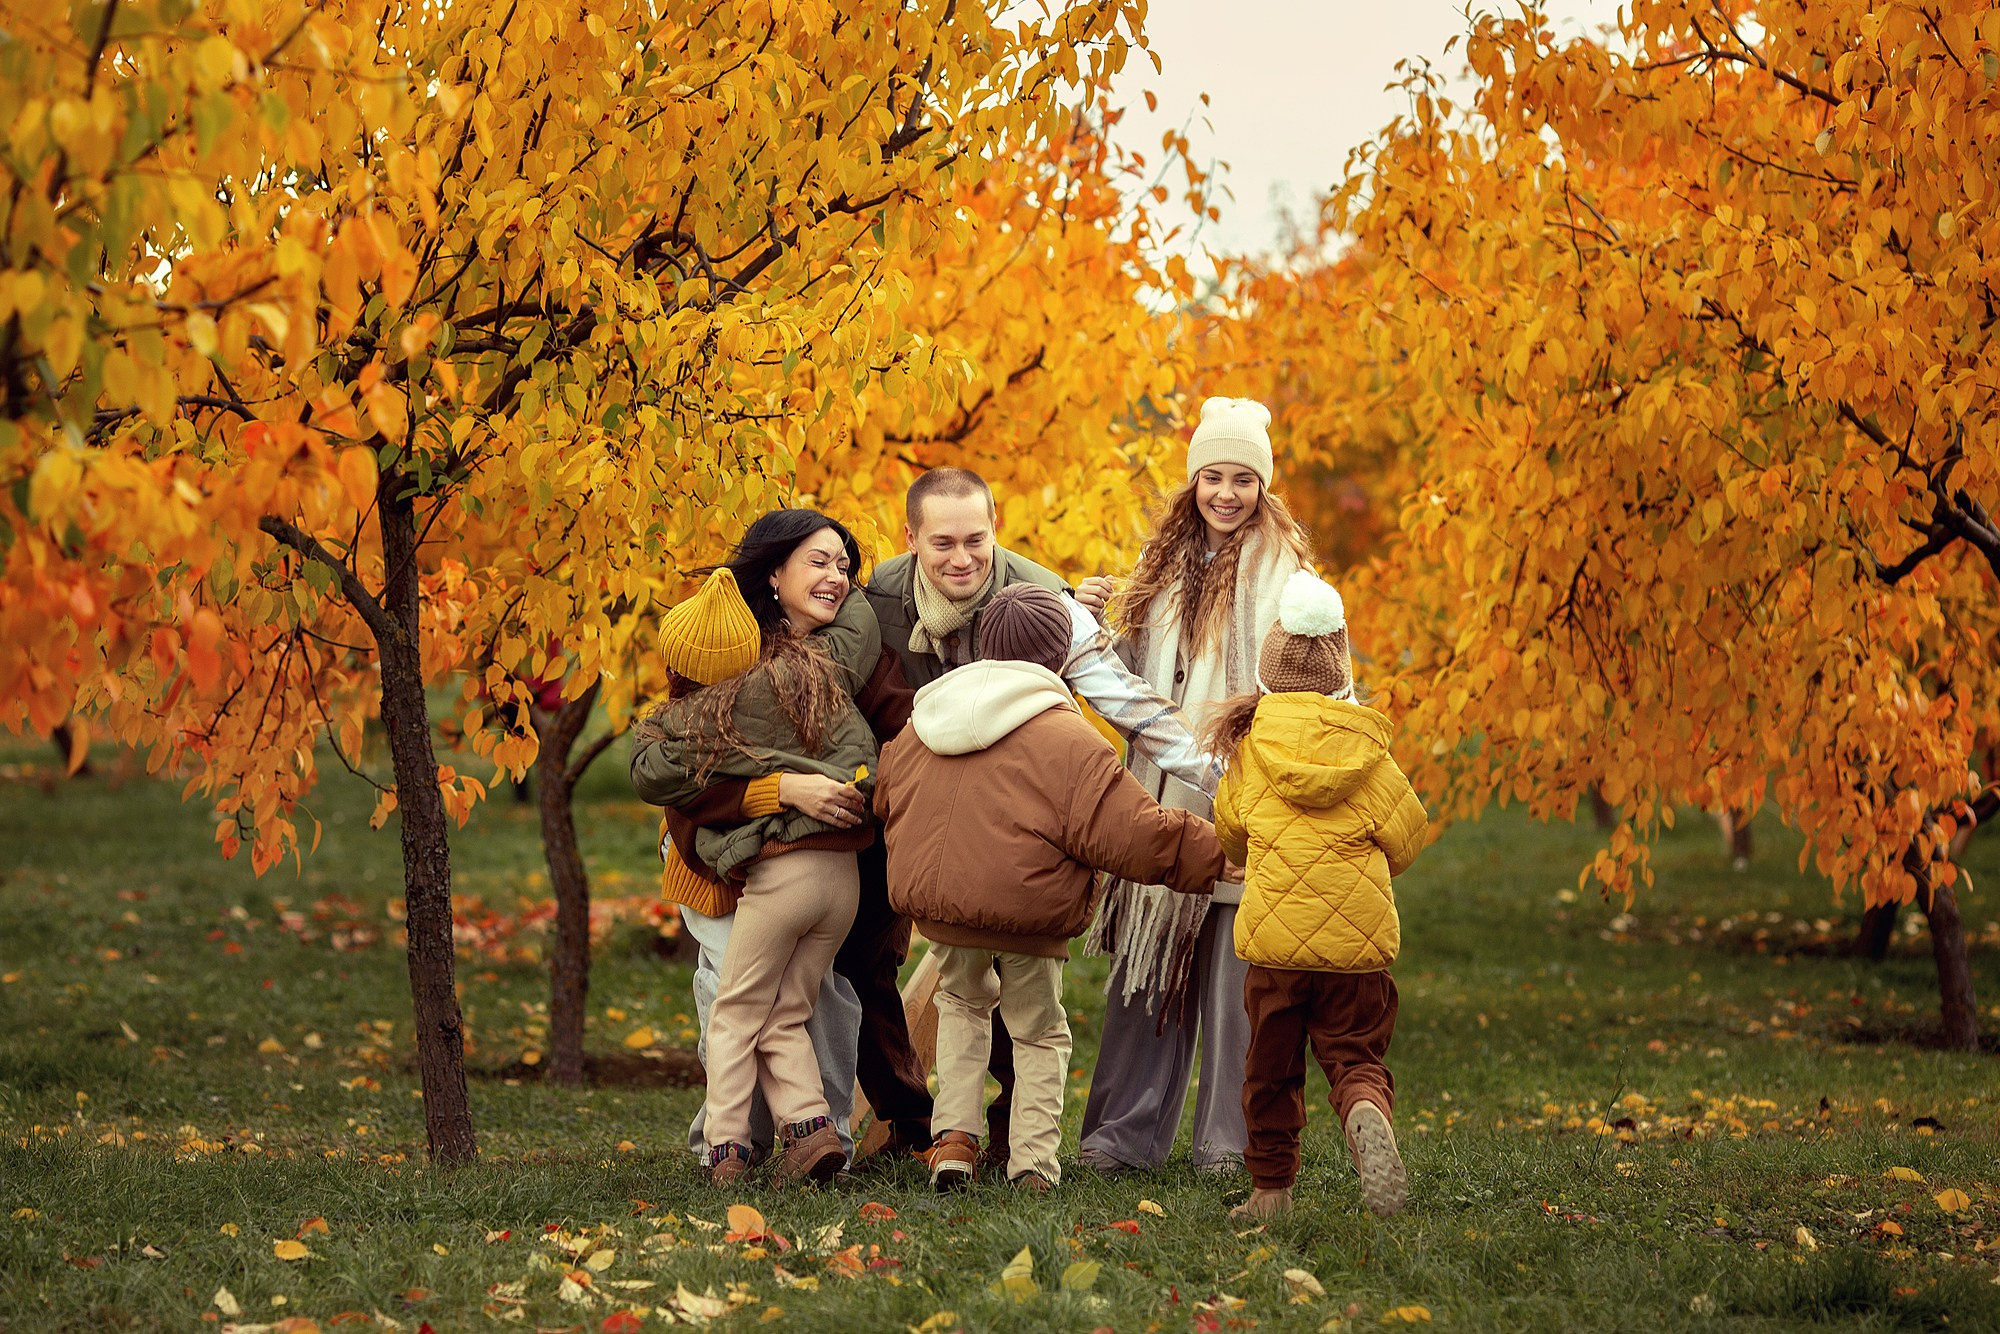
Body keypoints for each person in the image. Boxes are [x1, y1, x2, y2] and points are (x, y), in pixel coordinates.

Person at [854, 466, 1219, 1164]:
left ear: (996, 532)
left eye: (976, 541)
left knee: (992, 996)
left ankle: (994, 1135)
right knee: (874, 959)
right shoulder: (879, 602)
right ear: (911, 540)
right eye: (943, 544)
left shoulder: (1046, 604)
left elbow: (1132, 709)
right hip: (916, 812)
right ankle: (916, 1120)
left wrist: (1225, 779)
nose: (961, 559)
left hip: (1013, 824)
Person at [1072, 396, 1316, 1176]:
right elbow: (1133, 667)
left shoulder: (1288, 573)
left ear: (1262, 487)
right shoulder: (1163, 564)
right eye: (1213, 476)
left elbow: (1314, 669)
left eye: (1243, 479)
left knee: (1233, 979)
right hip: (1161, 791)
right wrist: (1091, 619)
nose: (1226, 494)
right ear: (1193, 481)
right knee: (1149, 971)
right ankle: (1121, 1136)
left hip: (1244, 789)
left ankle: (1228, 1141)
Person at [630, 530, 880, 1187]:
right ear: (772, 574)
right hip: (725, 856)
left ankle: (753, 1146)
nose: (837, 577)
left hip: (781, 863)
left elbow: (654, 761)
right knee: (751, 1000)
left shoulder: (824, 655)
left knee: (763, 1008)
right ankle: (781, 1136)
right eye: (818, 562)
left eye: (844, 565)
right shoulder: (731, 655)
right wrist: (782, 790)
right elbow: (678, 780)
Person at [1206, 570, 1429, 1220]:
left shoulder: (1252, 752)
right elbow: (1409, 840)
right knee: (1353, 1053)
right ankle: (1364, 1109)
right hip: (1356, 950)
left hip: (1275, 949)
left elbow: (1232, 835)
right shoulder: (1370, 752)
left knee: (1270, 1069)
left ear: (1269, 679)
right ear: (1341, 680)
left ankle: (1272, 1192)